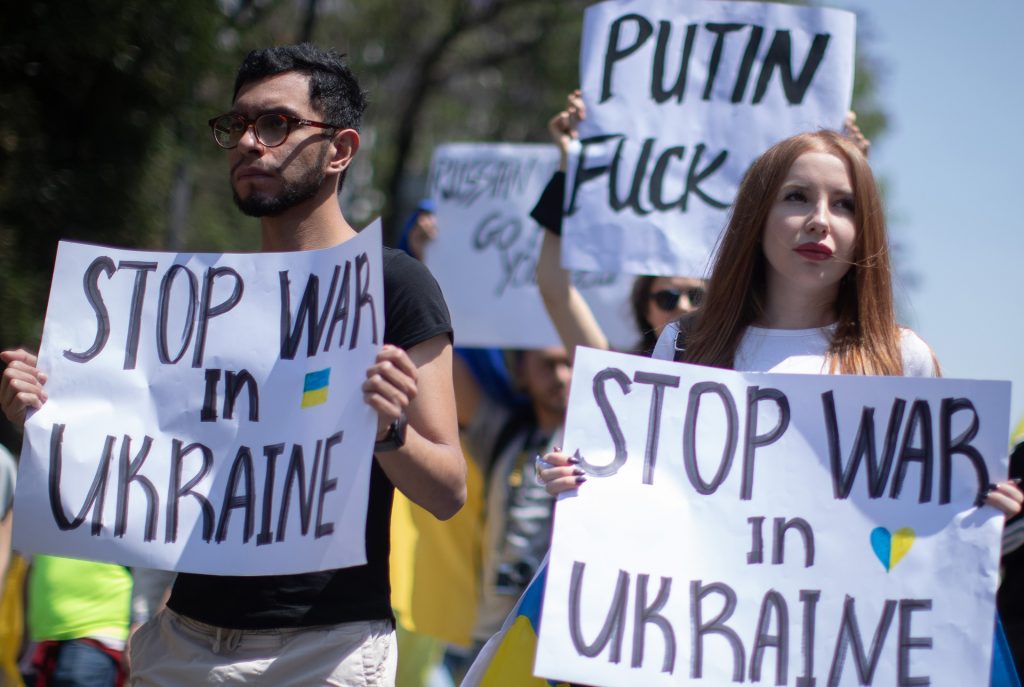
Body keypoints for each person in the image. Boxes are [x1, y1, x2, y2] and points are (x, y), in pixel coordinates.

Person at [0, 43, 466, 686]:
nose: (249, 143)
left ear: (341, 149)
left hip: (324, 651)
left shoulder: (392, 287)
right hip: (184, 643)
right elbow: (142, 462)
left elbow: (448, 489)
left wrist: (387, 431)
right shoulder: (203, 297)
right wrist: (50, 421)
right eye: (236, 125)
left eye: (276, 124)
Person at [538, 126, 1023, 509]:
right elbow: (646, 495)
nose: (820, 219)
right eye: (796, 197)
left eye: (845, 205)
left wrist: (974, 506)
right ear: (755, 217)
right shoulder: (684, 346)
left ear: (865, 230)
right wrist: (582, 484)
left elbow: (924, 519)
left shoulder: (903, 358)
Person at [534, 90, 705, 360]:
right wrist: (571, 166)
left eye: (697, 297)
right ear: (645, 310)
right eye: (667, 298)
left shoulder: (745, 369)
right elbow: (554, 288)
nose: (683, 306)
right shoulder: (616, 376)